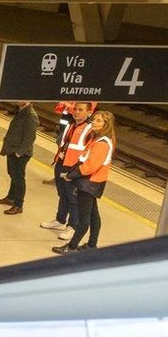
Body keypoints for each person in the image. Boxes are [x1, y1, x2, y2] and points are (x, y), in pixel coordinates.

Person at [55, 111, 115, 254]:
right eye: (94, 120)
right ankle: (91, 245)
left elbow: (90, 166)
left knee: (84, 219)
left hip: (89, 183)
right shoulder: (98, 139)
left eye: (99, 121)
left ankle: (71, 247)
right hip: (93, 183)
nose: (94, 122)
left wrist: (71, 175)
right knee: (94, 215)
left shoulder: (102, 143)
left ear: (106, 125)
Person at [41, 101, 93, 242]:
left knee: (73, 198)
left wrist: (77, 170)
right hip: (62, 163)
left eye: (80, 110)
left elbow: (88, 151)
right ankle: (60, 220)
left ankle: (72, 227)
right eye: (75, 109)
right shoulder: (71, 125)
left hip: (73, 168)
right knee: (62, 194)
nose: (76, 112)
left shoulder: (89, 129)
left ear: (88, 112)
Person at [0, 101, 38, 215]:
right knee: (13, 175)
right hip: (12, 149)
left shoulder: (31, 116)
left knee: (19, 178)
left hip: (20, 152)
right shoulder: (20, 111)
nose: (16, 100)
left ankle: (18, 205)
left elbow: (30, 137)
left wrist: (19, 153)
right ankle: (11, 198)